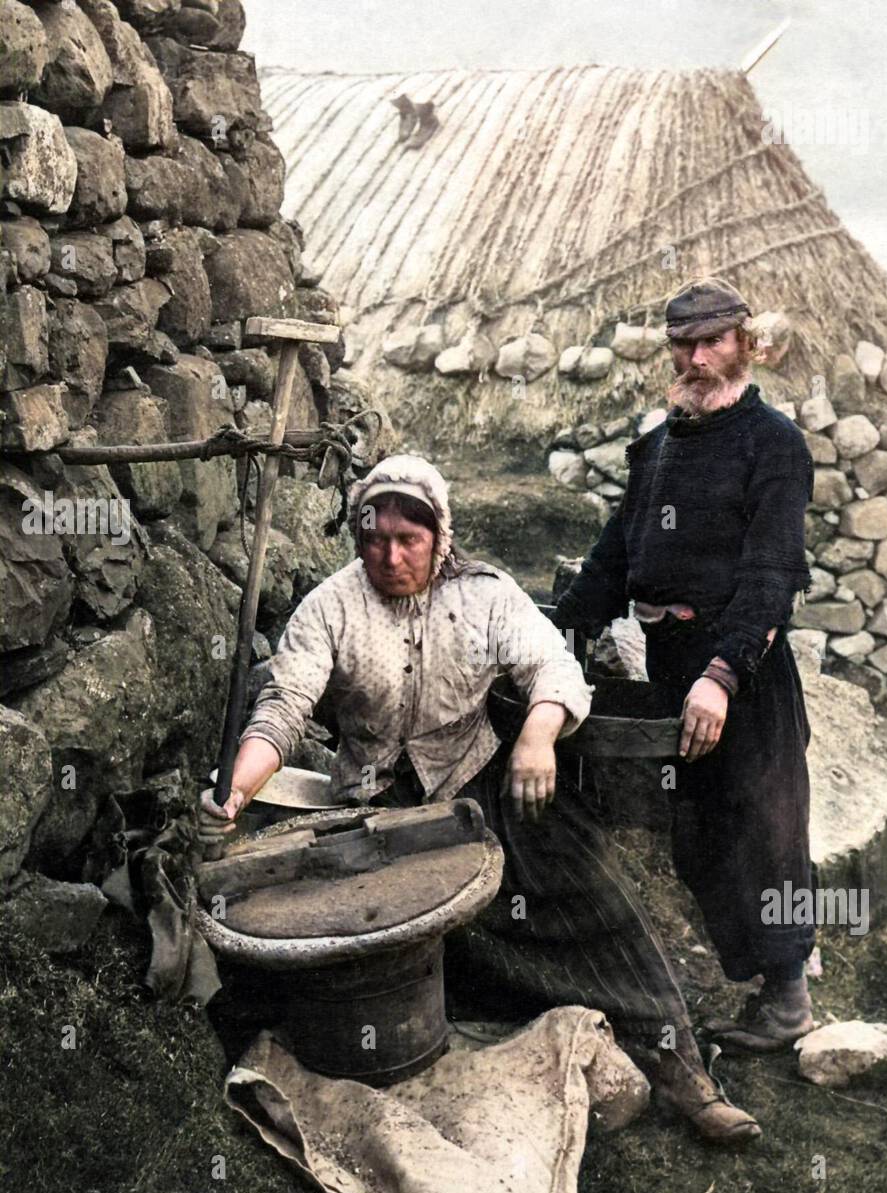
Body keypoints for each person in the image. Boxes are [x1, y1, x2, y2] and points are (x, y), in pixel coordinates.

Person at [198, 454, 761, 1144]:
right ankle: (483, 1009)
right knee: (395, 932)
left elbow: (553, 666)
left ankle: (684, 1073)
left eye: (410, 541)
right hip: (380, 805)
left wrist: (536, 736)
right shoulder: (331, 608)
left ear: (441, 540)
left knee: (594, 894)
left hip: (483, 782)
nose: (392, 556)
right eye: (375, 539)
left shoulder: (486, 595)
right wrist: (237, 788)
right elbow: (283, 709)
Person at [552, 277, 818, 1054]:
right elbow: (614, 555)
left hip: (746, 670)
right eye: (685, 345)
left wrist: (723, 676)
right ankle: (740, 977)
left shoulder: (775, 446)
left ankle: (789, 998)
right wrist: (561, 630)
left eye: (714, 343)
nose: (699, 359)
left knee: (764, 829)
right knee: (699, 833)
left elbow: (772, 578)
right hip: (671, 660)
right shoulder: (660, 445)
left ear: (744, 344)